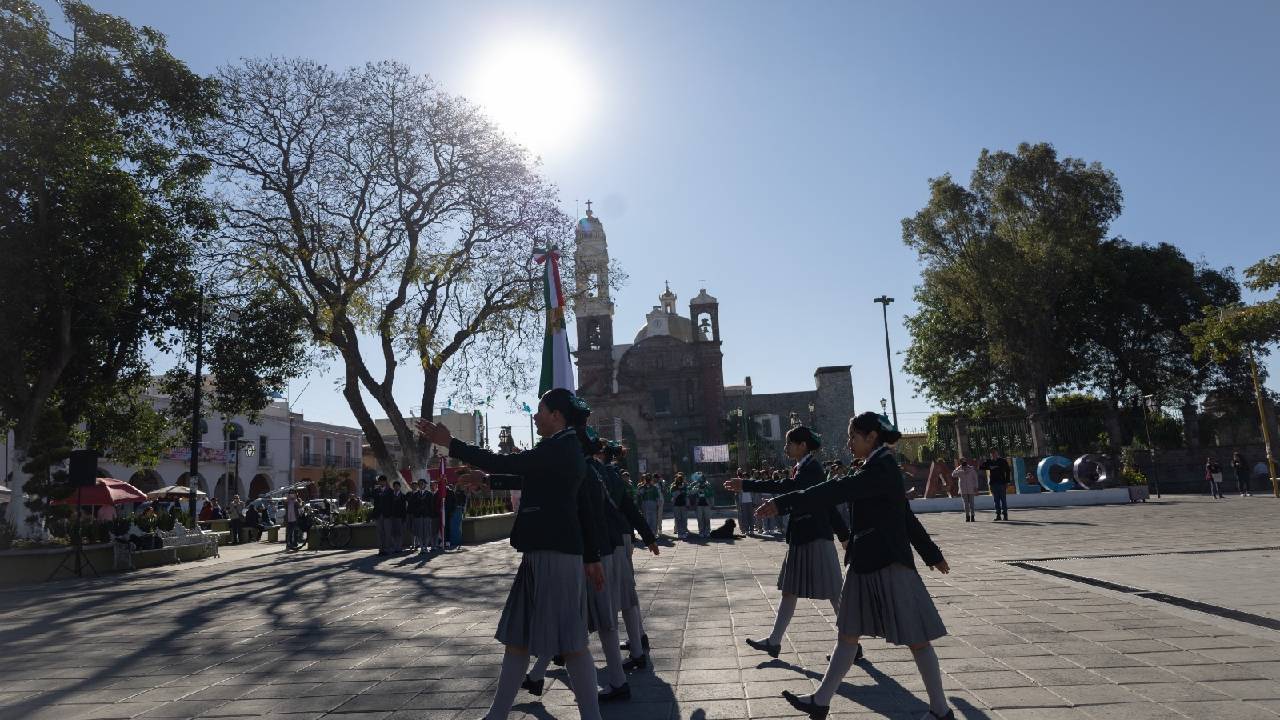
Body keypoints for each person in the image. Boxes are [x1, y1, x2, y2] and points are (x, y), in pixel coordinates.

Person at [416, 388, 608, 720]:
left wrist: (454, 443)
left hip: (555, 552)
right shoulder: (560, 448)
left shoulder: (562, 447)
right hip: (544, 552)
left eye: (540, 410)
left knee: (573, 645)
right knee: (519, 638)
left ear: (556, 416)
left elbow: (516, 464)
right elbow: (529, 474)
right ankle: (497, 715)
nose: (535, 416)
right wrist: (487, 480)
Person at [758, 412, 953, 720]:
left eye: (852, 437)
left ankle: (941, 711)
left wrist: (782, 503)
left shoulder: (882, 468)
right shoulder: (875, 466)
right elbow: (902, 515)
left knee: (916, 638)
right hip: (864, 563)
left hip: (888, 562)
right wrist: (932, 555)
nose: (848, 443)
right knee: (848, 635)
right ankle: (821, 701)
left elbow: (842, 493)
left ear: (870, 437)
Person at [727, 426, 853, 661]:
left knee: (835, 593)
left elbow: (793, 491)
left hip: (815, 537)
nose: (785, 448)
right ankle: (774, 641)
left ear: (802, 445)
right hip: (802, 537)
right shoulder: (803, 467)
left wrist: (747, 484)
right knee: (790, 591)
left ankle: (852, 643)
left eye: (789, 443)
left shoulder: (812, 469)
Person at [980, 450, 1011, 521]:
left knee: (1003, 500)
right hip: (993, 483)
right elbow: (980, 467)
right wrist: (989, 467)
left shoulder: (1003, 461)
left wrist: (1007, 482)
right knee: (996, 500)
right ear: (990, 455)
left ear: (997, 453)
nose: (993, 455)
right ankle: (998, 515)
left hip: (1002, 483)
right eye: (992, 454)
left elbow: (1008, 471)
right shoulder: (989, 461)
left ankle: (1005, 515)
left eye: (994, 453)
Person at [371, 475, 394, 556]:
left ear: (385, 482)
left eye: (383, 481)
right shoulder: (376, 491)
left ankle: (387, 549)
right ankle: (381, 549)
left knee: (387, 532)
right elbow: (371, 498)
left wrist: (391, 514)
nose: (381, 482)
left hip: (387, 515)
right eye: (380, 481)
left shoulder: (390, 491)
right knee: (379, 532)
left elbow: (392, 504)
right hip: (378, 514)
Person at [408, 479, 430, 553]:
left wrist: (428, 512)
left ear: (425, 485)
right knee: (420, 532)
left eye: (422, 484)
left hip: (426, 515)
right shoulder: (415, 494)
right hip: (418, 516)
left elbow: (431, 505)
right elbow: (412, 505)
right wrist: (416, 512)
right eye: (420, 484)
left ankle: (426, 547)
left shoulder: (429, 494)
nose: (421, 485)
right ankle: (421, 547)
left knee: (426, 532)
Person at [691, 471, 714, 538]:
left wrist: (712, 504)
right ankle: (701, 531)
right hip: (698, 505)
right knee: (700, 519)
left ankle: (707, 531)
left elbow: (711, 493)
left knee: (707, 519)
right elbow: (691, 492)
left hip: (706, 504)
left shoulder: (707, 484)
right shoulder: (695, 485)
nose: (701, 480)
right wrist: (697, 489)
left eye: (702, 478)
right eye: (699, 478)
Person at [736, 469, 757, 537]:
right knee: (745, 517)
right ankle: (746, 530)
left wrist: (754, 502)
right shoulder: (740, 485)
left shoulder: (750, 484)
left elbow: (753, 494)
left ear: (748, 477)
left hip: (750, 502)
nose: (745, 478)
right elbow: (738, 494)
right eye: (743, 476)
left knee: (751, 516)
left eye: (746, 476)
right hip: (743, 502)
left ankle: (752, 530)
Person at [670, 473, 689, 540]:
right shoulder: (673, 487)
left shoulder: (685, 486)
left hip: (683, 505)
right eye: (678, 479)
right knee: (678, 520)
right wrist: (679, 491)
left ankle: (683, 533)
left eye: (681, 479)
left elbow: (687, 495)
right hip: (676, 505)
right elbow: (672, 495)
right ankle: (680, 533)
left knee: (684, 519)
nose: (680, 481)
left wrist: (687, 504)